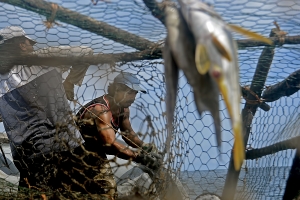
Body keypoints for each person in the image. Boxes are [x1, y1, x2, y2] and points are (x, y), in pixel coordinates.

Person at [0, 26, 95, 198]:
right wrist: (69, 83)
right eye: (30, 43)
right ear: (22, 44)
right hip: (63, 148)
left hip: (27, 159)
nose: (32, 46)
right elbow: (86, 51)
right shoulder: (40, 60)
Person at [76, 72, 163, 199]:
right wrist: (139, 157)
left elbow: (128, 134)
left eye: (135, 93)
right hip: (79, 153)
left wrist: (145, 147)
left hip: (97, 152)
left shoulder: (123, 109)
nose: (133, 97)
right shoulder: (101, 110)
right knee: (108, 191)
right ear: (117, 89)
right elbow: (109, 144)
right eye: (130, 92)